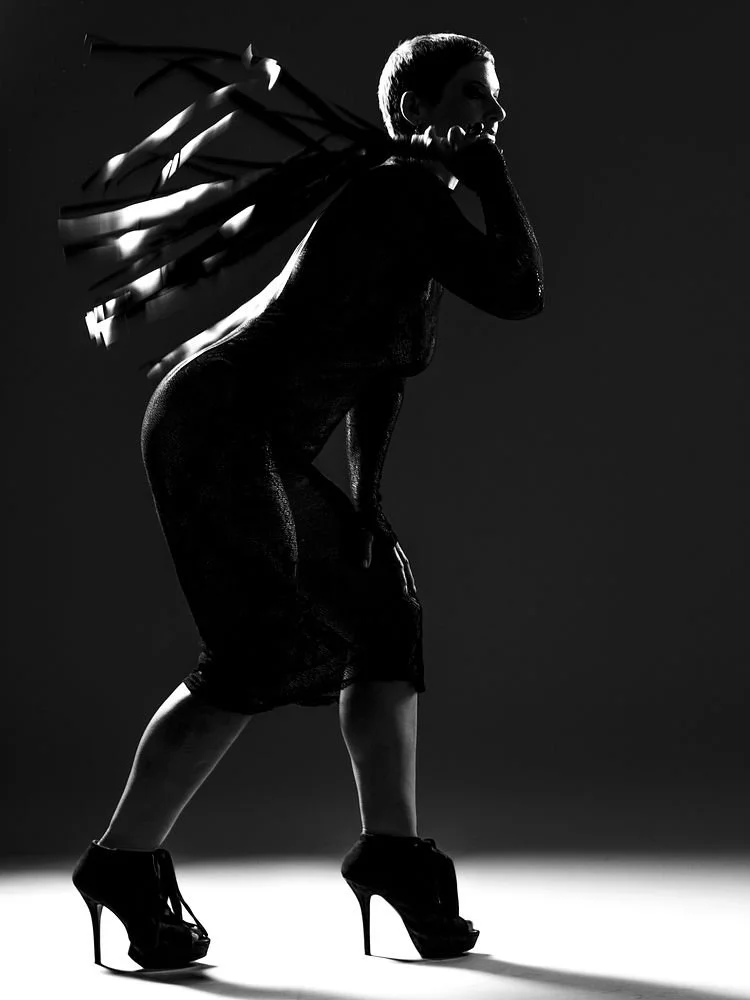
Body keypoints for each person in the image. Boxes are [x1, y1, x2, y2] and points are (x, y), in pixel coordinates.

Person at [71, 31, 544, 969]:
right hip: (213, 422)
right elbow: (521, 289)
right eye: (471, 98)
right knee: (260, 650)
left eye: (497, 102)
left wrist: (366, 516)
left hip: (261, 439)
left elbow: (379, 374)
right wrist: (491, 176)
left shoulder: (412, 211)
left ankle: (395, 855)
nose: (491, 119)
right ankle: (122, 863)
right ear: (412, 112)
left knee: (381, 607)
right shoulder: (404, 191)